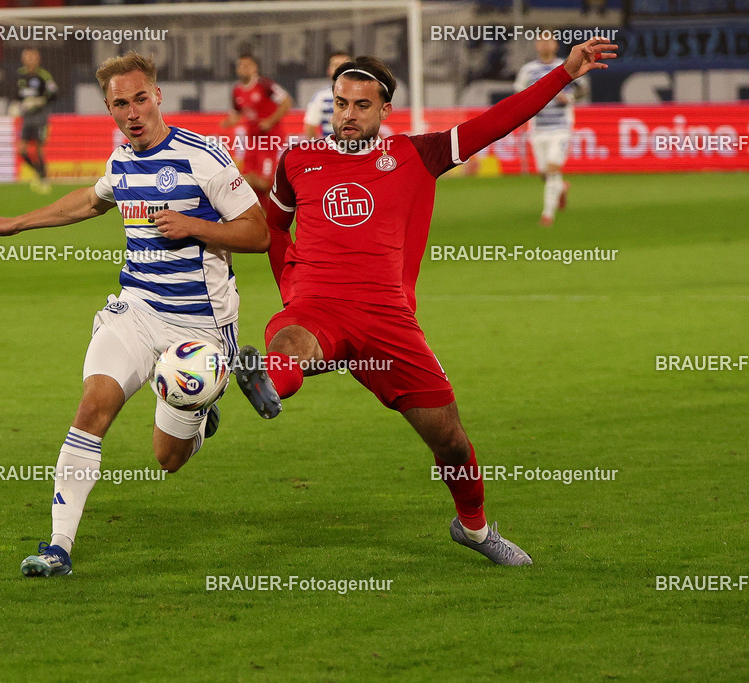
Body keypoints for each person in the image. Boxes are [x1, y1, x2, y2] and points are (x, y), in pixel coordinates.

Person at [233, 38, 617, 566]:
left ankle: (476, 530)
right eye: (340, 103)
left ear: (384, 109)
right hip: (316, 309)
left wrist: (564, 75)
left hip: (389, 323)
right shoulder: (299, 159)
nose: (348, 115)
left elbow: (498, 121)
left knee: (452, 441)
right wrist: (289, 288)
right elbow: (274, 225)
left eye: (361, 105)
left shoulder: (417, 153)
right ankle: (259, 383)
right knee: (288, 344)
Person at [0, 52, 269, 577]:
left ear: (158, 97)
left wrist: (195, 226)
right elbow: (88, 201)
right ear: (109, 109)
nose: (132, 112)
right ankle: (58, 547)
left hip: (198, 326)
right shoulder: (121, 160)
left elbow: (258, 233)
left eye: (140, 99)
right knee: (92, 408)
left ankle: (205, 401)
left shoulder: (204, 157)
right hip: (136, 311)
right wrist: (17, 223)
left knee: (167, 459)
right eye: (120, 104)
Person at [514, 37, 589, 226]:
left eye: (549, 41)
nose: (545, 44)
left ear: (556, 45)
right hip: (538, 128)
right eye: (541, 41)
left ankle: (547, 214)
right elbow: (519, 95)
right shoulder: (528, 70)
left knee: (552, 169)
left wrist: (570, 97)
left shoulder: (566, 65)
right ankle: (561, 187)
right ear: (537, 45)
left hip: (560, 128)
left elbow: (583, 89)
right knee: (544, 173)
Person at [221, 53, 293, 205]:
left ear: (255, 68)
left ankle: (280, 208)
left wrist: (270, 121)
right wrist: (229, 122)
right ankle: (263, 218)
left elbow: (286, 101)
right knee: (248, 183)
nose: (243, 69)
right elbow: (237, 113)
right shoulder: (237, 91)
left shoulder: (265, 85)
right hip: (252, 141)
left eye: (247, 65)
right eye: (240, 66)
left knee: (263, 182)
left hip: (270, 139)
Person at [13, 48, 58, 193]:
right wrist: (14, 104)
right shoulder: (20, 75)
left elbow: (54, 94)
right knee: (22, 149)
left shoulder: (43, 76)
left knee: (39, 148)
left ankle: (44, 179)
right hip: (26, 116)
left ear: (38, 59)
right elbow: (15, 94)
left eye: (33, 57)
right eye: (27, 57)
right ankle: (39, 173)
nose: (30, 60)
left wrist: (40, 101)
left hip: (40, 116)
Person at [303, 50, 351, 140]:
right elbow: (310, 126)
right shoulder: (321, 96)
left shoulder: (364, 94)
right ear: (329, 70)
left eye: (345, 66)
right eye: (336, 65)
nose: (341, 70)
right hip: (331, 149)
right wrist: (318, 149)